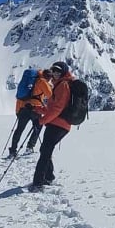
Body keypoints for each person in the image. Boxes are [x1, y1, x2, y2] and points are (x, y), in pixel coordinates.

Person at [29, 61, 76, 190]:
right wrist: (37, 109)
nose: (55, 73)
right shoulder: (59, 84)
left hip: (58, 124)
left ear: (63, 72)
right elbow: (52, 108)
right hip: (58, 123)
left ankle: (38, 183)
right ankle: (48, 177)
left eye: (58, 71)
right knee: (45, 150)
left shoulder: (63, 85)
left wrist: (42, 121)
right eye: (53, 70)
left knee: (45, 152)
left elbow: (57, 109)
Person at [9, 68, 53, 156]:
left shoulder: (33, 80)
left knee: (19, 129)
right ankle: (30, 146)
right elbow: (50, 95)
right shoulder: (42, 82)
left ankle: (13, 150)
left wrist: (18, 111)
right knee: (38, 126)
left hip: (24, 108)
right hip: (35, 108)